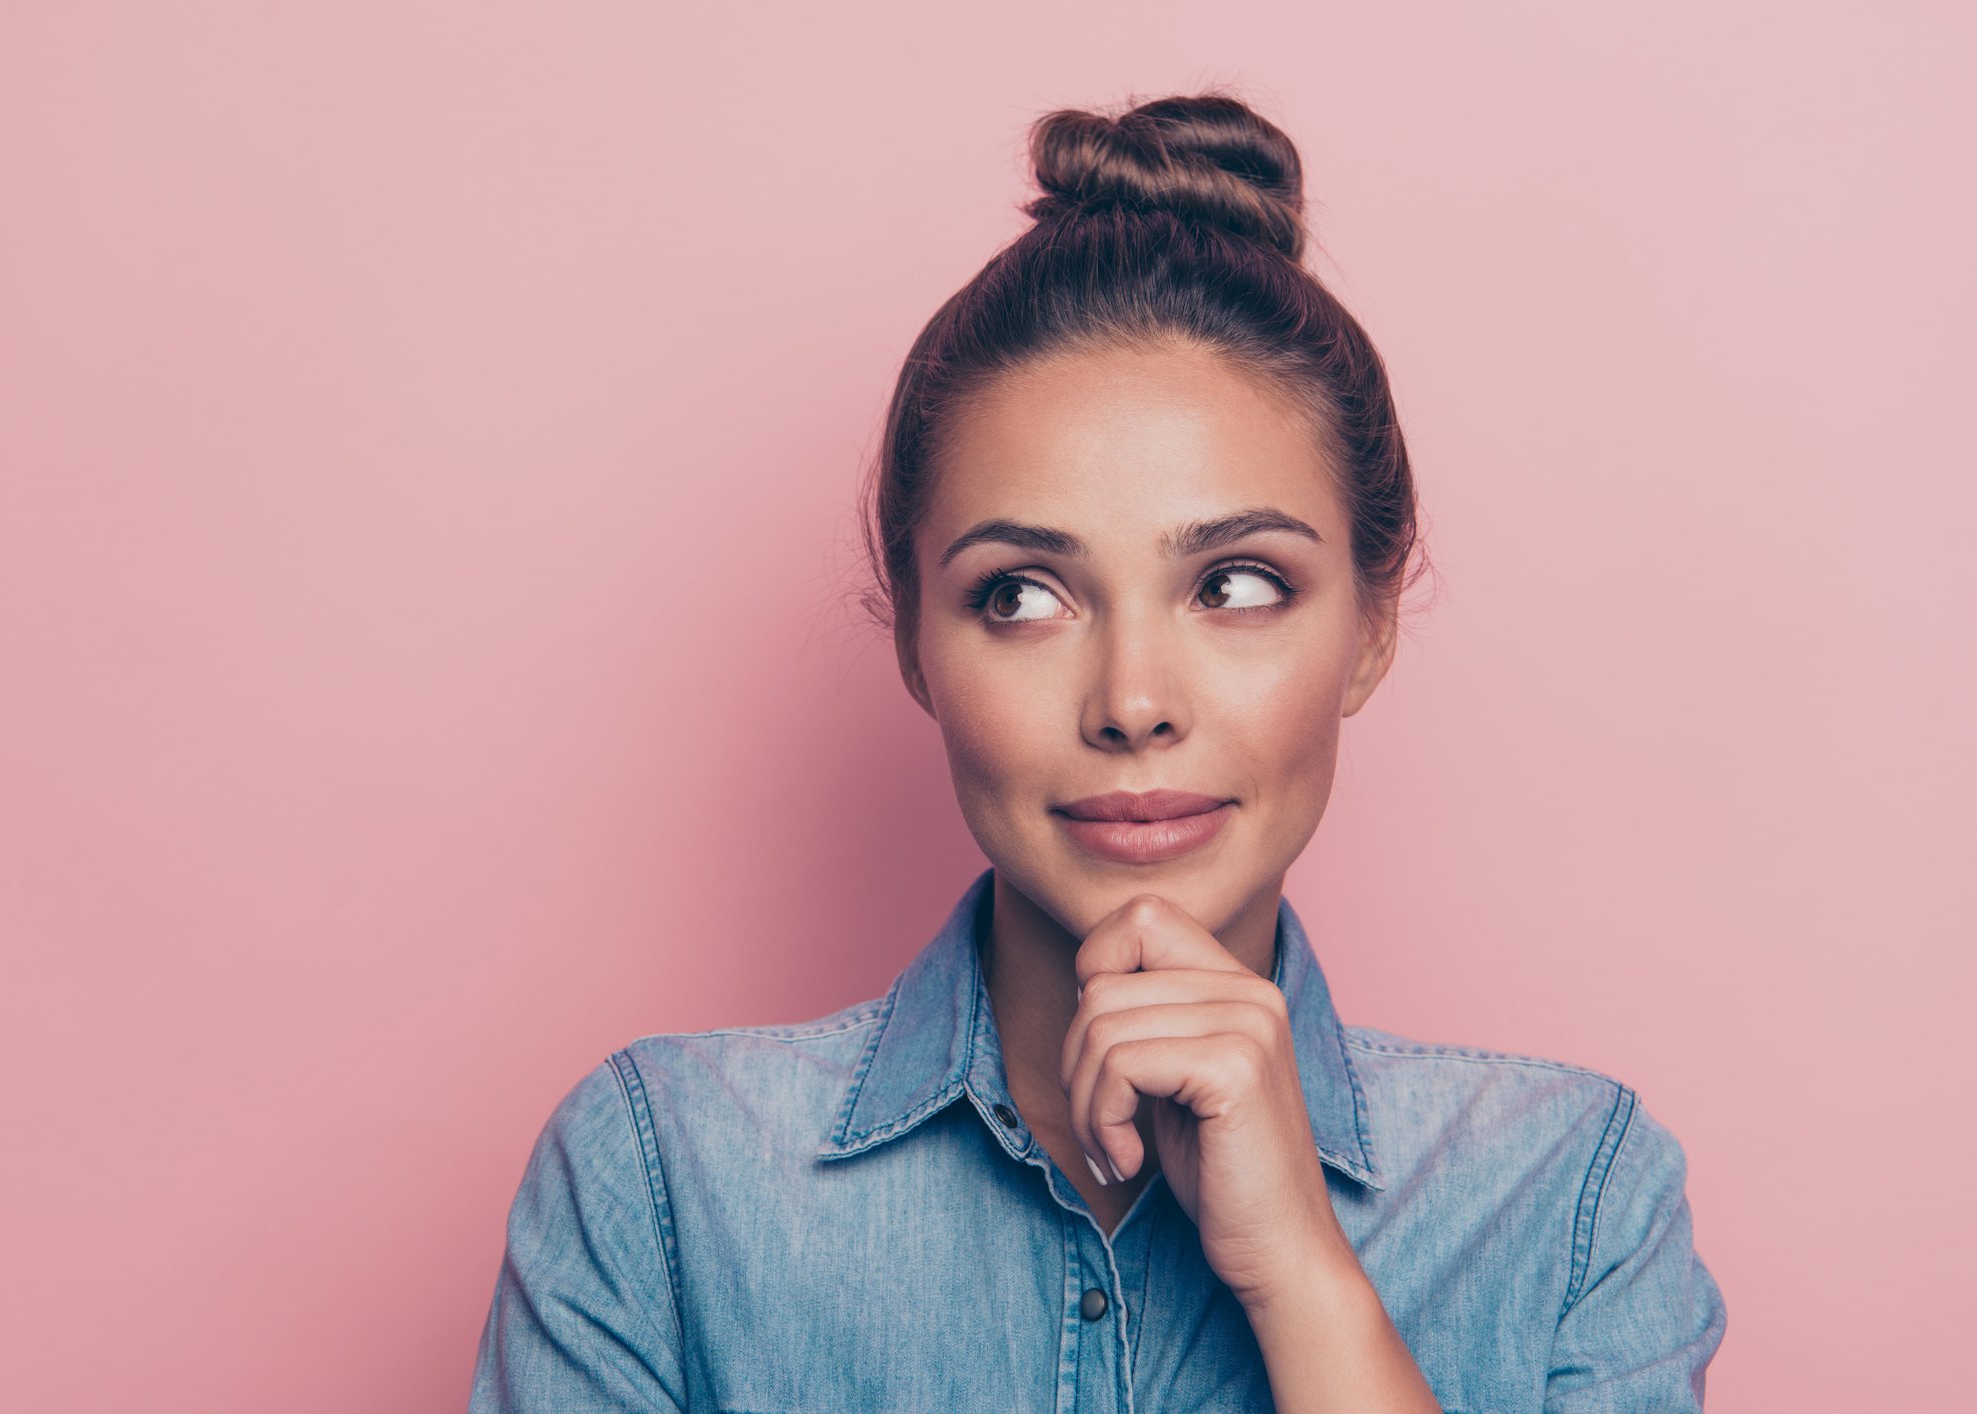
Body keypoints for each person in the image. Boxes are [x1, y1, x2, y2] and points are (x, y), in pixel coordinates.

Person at [467, 90, 1727, 1412]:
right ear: (915, 642)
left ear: (1370, 626)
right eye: (1020, 594)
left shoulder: (1573, 1197)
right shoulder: (668, 1181)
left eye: (1238, 585)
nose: (1133, 700)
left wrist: (1304, 1277)